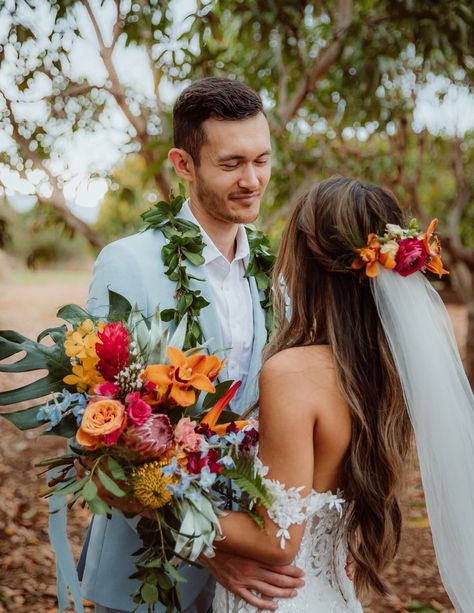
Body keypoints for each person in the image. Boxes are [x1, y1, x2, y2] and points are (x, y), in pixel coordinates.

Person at [66, 77, 305, 613]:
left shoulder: (276, 274)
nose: (253, 180)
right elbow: (93, 447)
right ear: (183, 164)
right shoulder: (128, 264)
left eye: (262, 160)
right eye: (231, 164)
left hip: (251, 571)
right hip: (144, 572)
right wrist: (207, 548)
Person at [211, 176, 474, 612]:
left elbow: (278, 537)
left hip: (278, 599)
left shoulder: (291, 373)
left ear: (306, 264)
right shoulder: (389, 370)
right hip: (331, 594)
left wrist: (162, 503)